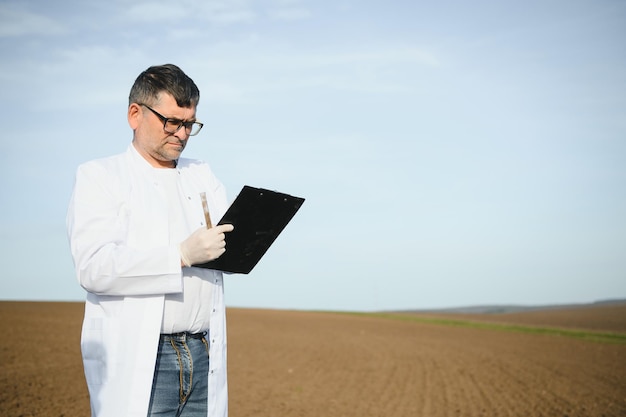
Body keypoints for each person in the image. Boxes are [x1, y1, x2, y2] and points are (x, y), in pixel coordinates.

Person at [67, 64, 234, 417]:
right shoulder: (101, 176)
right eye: (171, 121)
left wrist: (247, 242)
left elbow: (224, 247)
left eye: (189, 124)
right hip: (144, 356)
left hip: (203, 351)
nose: (182, 133)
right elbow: (94, 268)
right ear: (134, 114)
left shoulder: (201, 174)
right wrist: (180, 255)